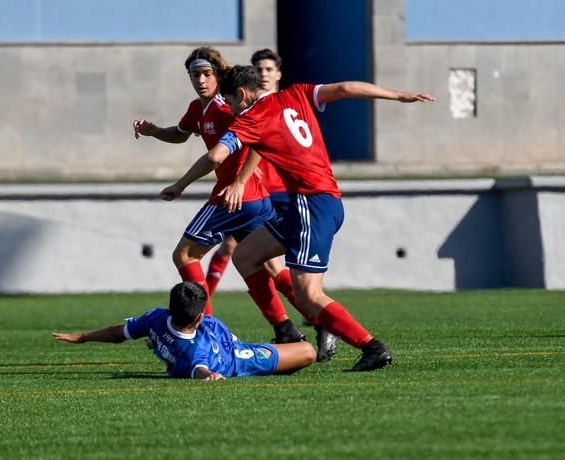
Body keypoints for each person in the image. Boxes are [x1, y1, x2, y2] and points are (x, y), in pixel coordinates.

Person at [161, 65, 435, 371]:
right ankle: (285, 329)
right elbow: (344, 88)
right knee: (247, 256)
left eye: (232, 102)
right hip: (313, 201)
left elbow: (215, 156)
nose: (233, 111)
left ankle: (371, 346)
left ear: (241, 94)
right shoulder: (297, 93)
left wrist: (181, 184)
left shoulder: (251, 118)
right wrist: (398, 95)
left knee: (308, 295)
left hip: (310, 204)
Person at [133, 47, 306, 345]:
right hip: (253, 200)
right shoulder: (197, 108)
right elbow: (180, 133)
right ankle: (300, 323)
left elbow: (257, 140)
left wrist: (233, 181)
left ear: (217, 75)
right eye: (194, 75)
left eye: (206, 74)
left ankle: (205, 332)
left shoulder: (226, 106)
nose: (200, 80)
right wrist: (153, 131)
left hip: (234, 198)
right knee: (266, 265)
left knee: (185, 255)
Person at [202, 48, 337, 362]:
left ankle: (312, 320)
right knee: (243, 255)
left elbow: (258, 146)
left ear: (278, 74)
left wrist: (240, 179)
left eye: (268, 69)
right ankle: (295, 326)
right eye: (258, 69)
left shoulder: (283, 102)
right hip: (263, 192)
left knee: (271, 265)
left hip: (286, 195)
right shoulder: (249, 105)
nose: (263, 73)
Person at [53, 281, 316, 380]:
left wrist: (84, 337)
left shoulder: (156, 318)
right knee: (307, 351)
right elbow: (198, 368)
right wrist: (210, 376)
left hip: (228, 346)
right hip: (239, 358)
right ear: (200, 316)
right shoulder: (192, 351)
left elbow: (118, 333)